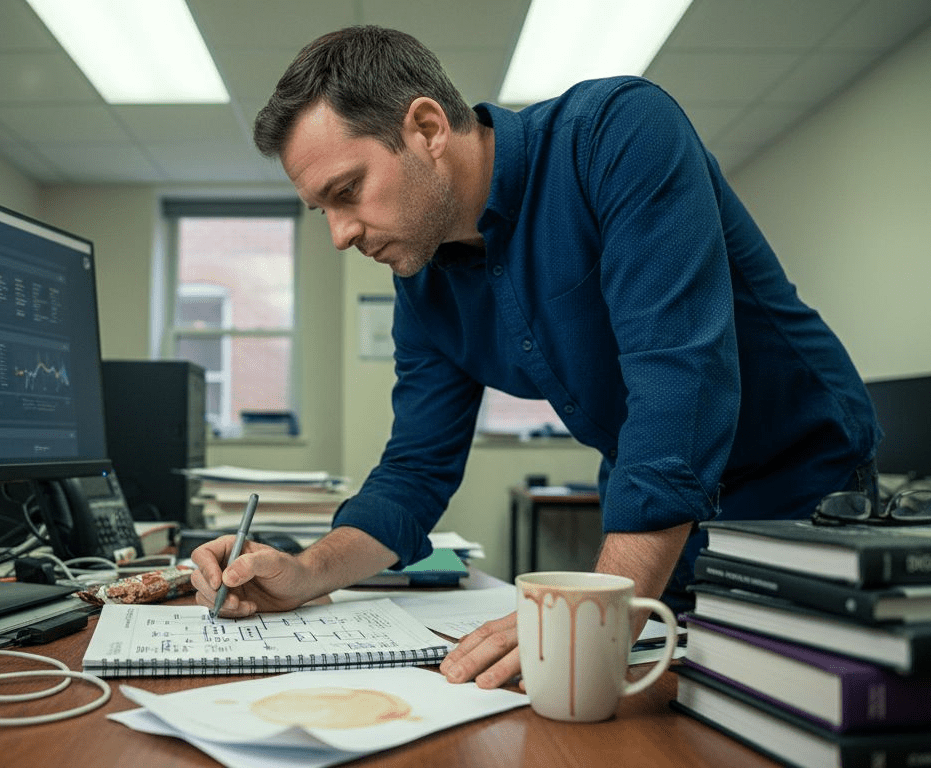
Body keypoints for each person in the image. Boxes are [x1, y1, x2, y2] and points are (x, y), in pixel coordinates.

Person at [189, 25, 881, 689]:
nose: (340, 235)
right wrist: (306, 573)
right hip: (657, 506)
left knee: (785, 707)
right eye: (322, 210)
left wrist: (586, 613)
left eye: (347, 192)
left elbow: (680, 384)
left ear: (427, 128)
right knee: (650, 706)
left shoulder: (617, 134)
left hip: (796, 486)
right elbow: (415, 470)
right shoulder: (423, 282)